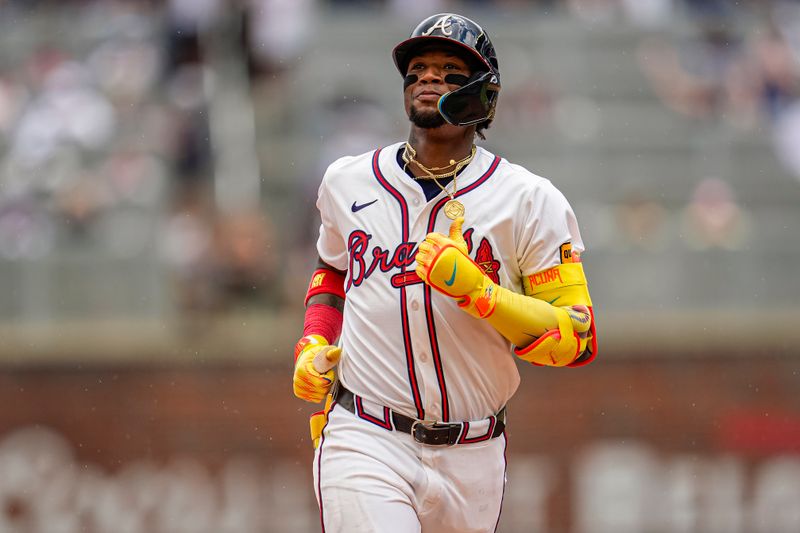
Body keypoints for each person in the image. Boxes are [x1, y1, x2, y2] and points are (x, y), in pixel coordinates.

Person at [292, 13, 597, 533]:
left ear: (484, 94)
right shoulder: (348, 181)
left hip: (474, 450)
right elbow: (332, 270)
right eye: (419, 68)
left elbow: (577, 338)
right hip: (365, 432)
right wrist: (312, 341)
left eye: (450, 69)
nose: (428, 77)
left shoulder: (528, 199)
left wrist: (482, 293)